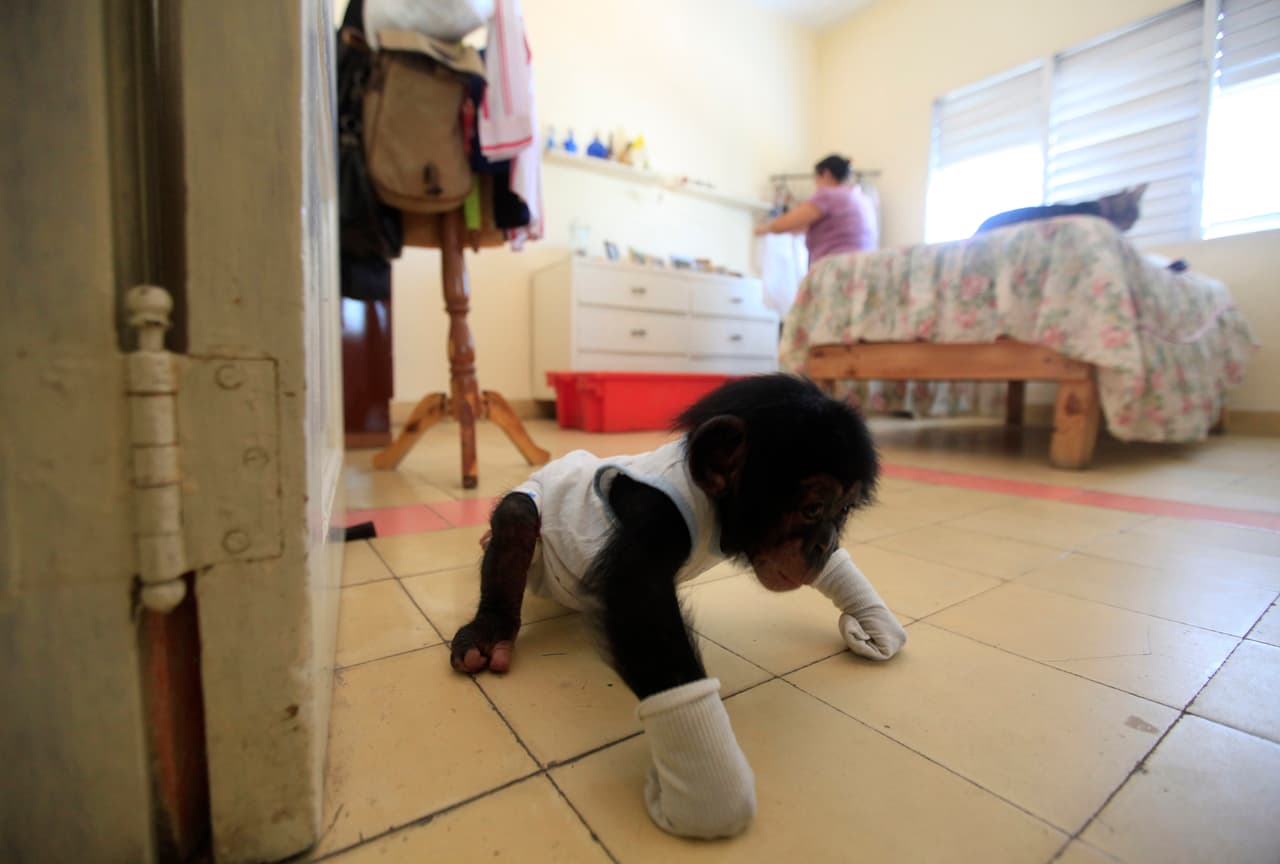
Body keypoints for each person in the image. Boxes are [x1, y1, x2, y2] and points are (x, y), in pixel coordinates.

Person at [754, 154, 878, 263]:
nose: (816, 184)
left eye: (816, 178)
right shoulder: (862, 199)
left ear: (826, 174)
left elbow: (782, 225)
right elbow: (805, 227)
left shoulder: (829, 195)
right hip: (862, 268)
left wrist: (762, 229)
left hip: (835, 266)